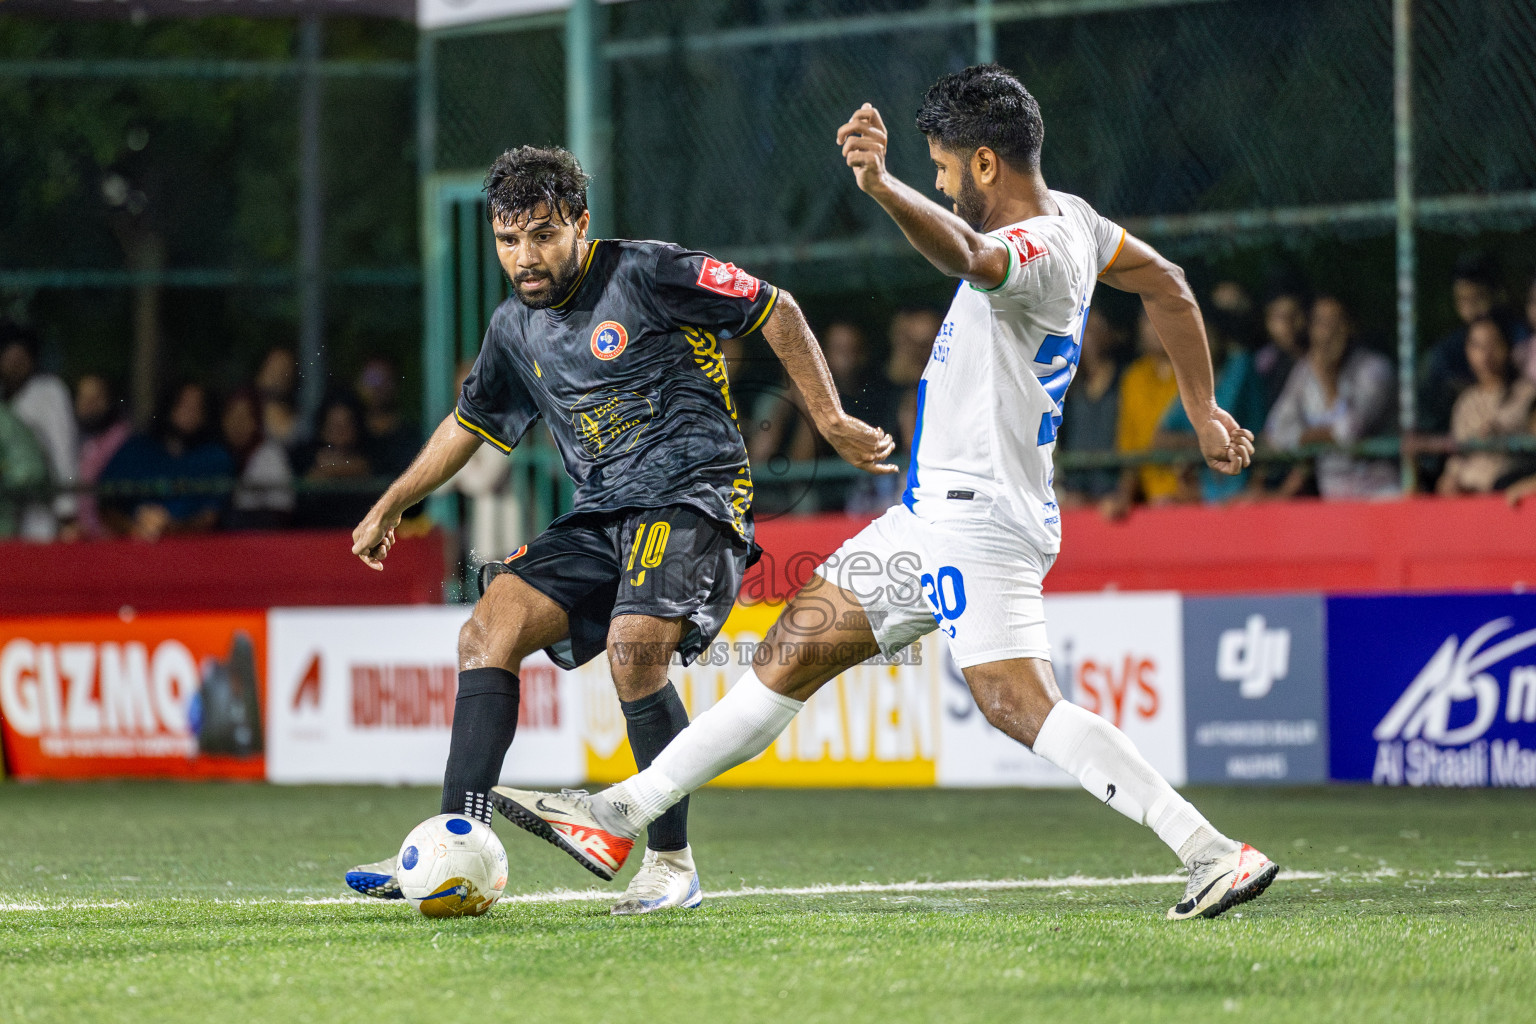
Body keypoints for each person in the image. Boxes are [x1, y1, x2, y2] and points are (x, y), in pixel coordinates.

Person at [491, 67, 1275, 922]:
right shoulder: (1082, 220)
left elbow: (971, 256)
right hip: (926, 518)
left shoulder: (1041, 246)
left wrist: (881, 184)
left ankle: (1210, 851)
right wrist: (1203, 410)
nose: (939, 183)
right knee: (789, 652)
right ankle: (621, 812)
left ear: (984, 164)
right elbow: (1168, 283)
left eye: (942, 167)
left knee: (1016, 701)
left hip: (980, 520)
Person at [341, 145, 892, 916]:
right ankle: (451, 842)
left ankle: (671, 865)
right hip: (602, 512)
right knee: (486, 631)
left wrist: (828, 418)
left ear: (580, 223)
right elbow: (470, 424)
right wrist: (394, 502)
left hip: (695, 497)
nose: (524, 257)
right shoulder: (513, 327)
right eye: (507, 240)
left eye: (542, 235)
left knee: (636, 652)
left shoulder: (648, 271)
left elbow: (777, 308)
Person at [1264, 295, 1398, 500]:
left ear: (1350, 327)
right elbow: (1276, 432)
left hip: (1380, 494)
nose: (1329, 332)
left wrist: (1328, 381)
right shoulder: (1305, 371)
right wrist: (1318, 437)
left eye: (1336, 322)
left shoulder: (1374, 369)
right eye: (1321, 323)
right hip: (1332, 497)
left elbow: (1349, 432)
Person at [99, 382, 232, 542]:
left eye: (197, 407)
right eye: (183, 404)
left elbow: (213, 515)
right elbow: (106, 504)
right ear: (168, 405)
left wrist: (171, 528)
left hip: (194, 548)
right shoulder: (136, 449)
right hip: (133, 545)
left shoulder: (215, 457)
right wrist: (133, 529)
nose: (189, 412)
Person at [1436, 318, 1536, 496]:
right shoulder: (1465, 402)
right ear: (1467, 351)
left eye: (1493, 344)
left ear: (1507, 347)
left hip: (1507, 491)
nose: (1486, 354)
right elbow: (1456, 458)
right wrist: (1450, 480)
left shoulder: (1527, 394)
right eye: (1478, 346)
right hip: (1467, 497)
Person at [1, 324, 77, 541]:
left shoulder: (49, 391)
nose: (15, 364)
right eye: (9, 357)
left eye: (21, 357)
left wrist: (67, 510)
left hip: (40, 509)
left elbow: (63, 450)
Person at [1103, 308, 1181, 517]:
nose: (1154, 326)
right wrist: (1124, 496)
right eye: (1148, 320)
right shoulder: (1133, 379)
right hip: (1148, 504)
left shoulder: (1194, 374)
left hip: (1195, 499)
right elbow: (1129, 450)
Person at [1054, 308, 1123, 509]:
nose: (1088, 337)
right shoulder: (1068, 386)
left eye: (1094, 330)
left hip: (1112, 488)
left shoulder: (1124, 381)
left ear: (1108, 334)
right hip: (1075, 490)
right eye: (1084, 330)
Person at [293, 395, 376, 529]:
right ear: (323, 428)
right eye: (334, 425)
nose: (340, 431)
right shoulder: (306, 457)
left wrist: (333, 469)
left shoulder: (371, 457)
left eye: (346, 425)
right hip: (315, 532)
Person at [221, 388, 294, 530]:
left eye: (244, 417)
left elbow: (282, 511)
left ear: (256, 421)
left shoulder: (270, 456)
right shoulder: (219, 453)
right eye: (232, 416)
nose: (237, 424)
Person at [74, 374, 134, 540]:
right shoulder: (76, 438)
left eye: (97, 397)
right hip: (82, 538)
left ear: (110, 401)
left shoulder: (124, 440)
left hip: (115, 539)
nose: (89, 404)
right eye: (83, 397)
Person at [354, 356, 420, 478]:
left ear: (396, 384)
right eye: (372, 379)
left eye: (385, 380)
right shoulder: (349, 433)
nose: (377, 387)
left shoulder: (412, 437)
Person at [1254, 289, 1309, 413]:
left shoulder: (1320, 360)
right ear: (1267, 321)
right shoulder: (1262, 364)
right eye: (1279, 317)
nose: (1287, 324)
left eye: (1294, 315)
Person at [254, 346, 301, 450]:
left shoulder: (299, 419)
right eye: (274, 367)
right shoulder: (244, 407)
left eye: (285, 369)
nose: (278, 374)